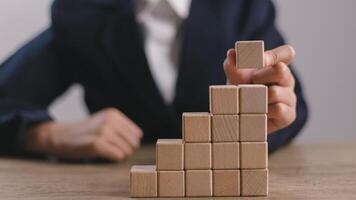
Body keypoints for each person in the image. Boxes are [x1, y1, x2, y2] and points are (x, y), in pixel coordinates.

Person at [0, 0, 308, 161]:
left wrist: (265, 120)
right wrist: (47, 135)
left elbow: (295, 108)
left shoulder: (243, 5)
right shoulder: (80, 11)